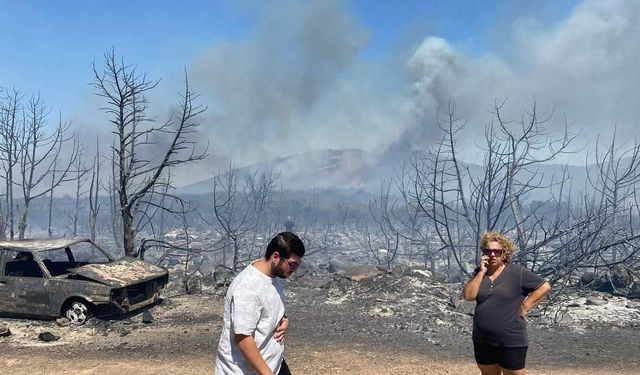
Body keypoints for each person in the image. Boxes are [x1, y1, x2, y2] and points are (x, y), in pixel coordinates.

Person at [215, 232, 305, 375]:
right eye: (292, 265)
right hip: (245, 370)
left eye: (297, 265)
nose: (294, 270)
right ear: (275, 257)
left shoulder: (271, 276)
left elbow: (266, 309)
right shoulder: (247, 288)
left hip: (273, 363)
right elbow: (243, 338)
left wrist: (284, 319)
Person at [462, 231, 551, 375]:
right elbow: (468, 296)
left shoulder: (517, 272)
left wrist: (525, 306)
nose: (492, 255)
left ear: (504, 253)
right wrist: (481, 272)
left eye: (497, 251)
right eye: (487, 251)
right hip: (482, 338)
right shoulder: (479, 272)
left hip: (511, 339)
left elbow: (544, 287)